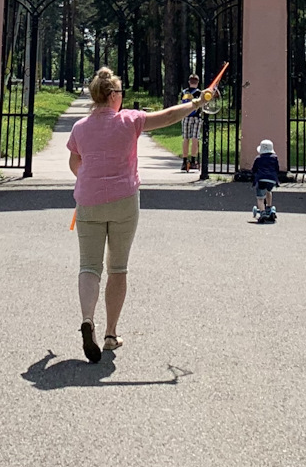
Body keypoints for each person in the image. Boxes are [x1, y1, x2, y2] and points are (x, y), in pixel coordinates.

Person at [67, 65, 210, 362]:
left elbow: (74, 163)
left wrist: (89, 179)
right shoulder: (129, 121)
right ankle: (110, 333)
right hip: (124, 200)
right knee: (118, 267)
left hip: (89, 202)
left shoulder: (80, 127)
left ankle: (87, 319)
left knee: (89, 267)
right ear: (112, 95)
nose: (122, 96)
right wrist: (197, 103)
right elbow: (169, 116)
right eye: (120, 91)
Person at [177, 73, 204, 173]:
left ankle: (184, 161)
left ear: (189, 82)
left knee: (185, 138)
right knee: (195, 138)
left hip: (185, 117)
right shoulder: (199, 93)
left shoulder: (184, 92)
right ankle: (193, 161)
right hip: (196, 117)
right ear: (197, 82)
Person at [250, 138, 281, 223]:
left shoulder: (258, 158)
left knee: (260, 198)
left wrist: (253, 174)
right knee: (268, 191)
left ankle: (262, 212)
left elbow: (254, 169)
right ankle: (269, 207)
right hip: (271, 179)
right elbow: (277, 168)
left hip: (261, 179)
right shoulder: (274, 158)